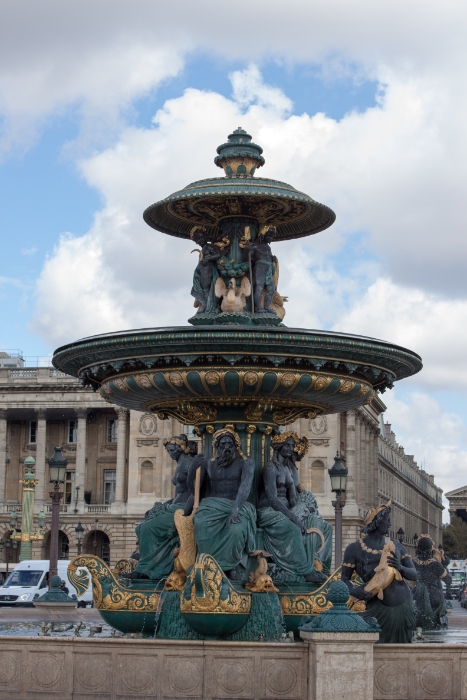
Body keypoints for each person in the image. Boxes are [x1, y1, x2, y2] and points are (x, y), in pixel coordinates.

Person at [257, 432, 332, 582]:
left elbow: (292, 498)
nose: (291, 448)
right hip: (269, 512)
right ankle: (304, 571)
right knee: (294, 528)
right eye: (288, 445)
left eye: (292, 445)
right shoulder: (271, 468)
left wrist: (306, 509)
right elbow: (272, 498)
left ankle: (321, 567)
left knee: (323, 526)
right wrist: (292, 517)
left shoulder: (287, 470)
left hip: (286, 511)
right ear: (279, 447)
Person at [341, 501, 417, 643]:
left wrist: (401, 568)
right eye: (387, 521)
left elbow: (414, 575)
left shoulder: (397, 547)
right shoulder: (354, 549)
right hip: (376, 607)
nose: (389, 525)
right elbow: (344, 579)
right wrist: (354, 591)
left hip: (403, 606)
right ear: (376, 522)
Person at [186, 426, 256, 580]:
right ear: (217, 446)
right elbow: (194, 490)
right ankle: (207, 565)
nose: (226, 447)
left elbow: (245, 486)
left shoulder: (246, 461)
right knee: (200, 522)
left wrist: (235, 509)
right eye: (222, 444)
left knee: (236, 530)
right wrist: (192, 468)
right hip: (212, 505)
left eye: (230, 444)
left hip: (238, 504)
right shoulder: (208, 462)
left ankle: (230, 567)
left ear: (236, 446)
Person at [123, 434, 193, 580]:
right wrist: (163, 505)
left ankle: (146, 570)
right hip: (175, 505)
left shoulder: (189, 464)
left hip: (184, 508)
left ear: (181, 448)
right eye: (168, 450)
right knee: (140, 527)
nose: (170, 453)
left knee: (149, 528)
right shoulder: (180, 464)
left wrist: (186, 513)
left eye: (173, 449)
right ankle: (148, 564)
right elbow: (179, 493)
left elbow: (195, 492)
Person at [412, 535, 448, 635]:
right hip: (435, 599)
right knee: (436, 631)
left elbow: (409, 581)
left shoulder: (412, 563)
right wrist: (443, 562)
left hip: (419, 599)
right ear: (430, 549)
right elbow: (448, 580)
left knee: (419, 627)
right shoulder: (435, 564)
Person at [242, 226, 276, 314]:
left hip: (268, 268)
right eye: (268, 235)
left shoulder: (268, 248)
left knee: (271, 289)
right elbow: (246, 258)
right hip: (260, 267)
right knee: (259, 287)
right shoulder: (255, 246)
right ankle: (259, 307)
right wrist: (246, 250)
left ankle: (267, 307)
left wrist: (272, 258)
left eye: (271, 236)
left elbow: (267, 256)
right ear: (263, 234)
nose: (270, 238)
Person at [190, 226, 221, 313]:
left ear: (205, 236)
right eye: (198, 238)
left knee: (205, 288)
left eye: (201, 237)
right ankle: (205, 304)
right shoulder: (203, 249)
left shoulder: (209, 246)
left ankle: (207, 306)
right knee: (200, 289)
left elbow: (218, 254)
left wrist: (207, 259)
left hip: (207, 269)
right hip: (202, 271)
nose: (200, 240)